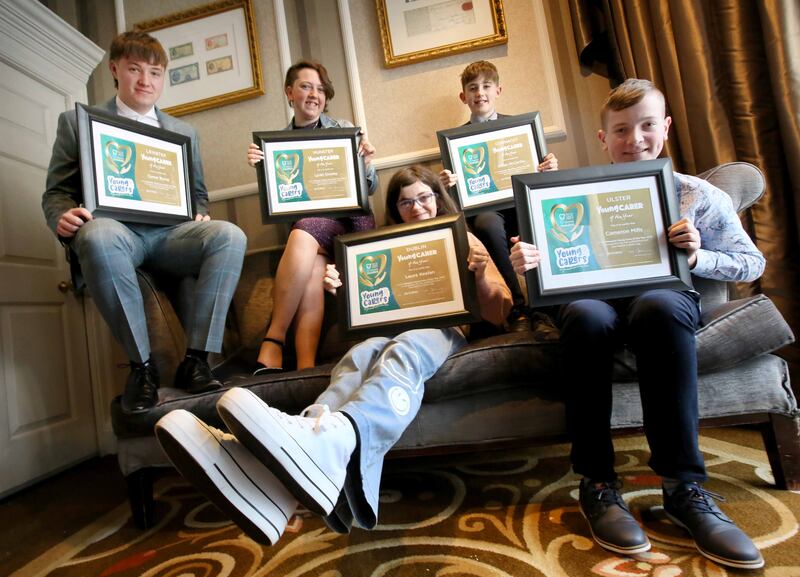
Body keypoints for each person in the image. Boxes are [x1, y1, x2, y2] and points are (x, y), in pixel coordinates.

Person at [155, 165, 512, 545]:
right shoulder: (383, 247)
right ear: (395, 209)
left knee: (404, 352)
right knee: (357, 358)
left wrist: (481, 276)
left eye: (424, 197)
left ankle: (325, 446)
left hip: (443, 329)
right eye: (406, 202)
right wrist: (346, 294)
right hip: (386, 332)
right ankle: (281, 476)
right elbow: (371, 316)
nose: (417, 207)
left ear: (438, 198)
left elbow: (500, 312)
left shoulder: (467, 240)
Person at [510, 79, 766, 570]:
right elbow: (547, 279)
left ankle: (682, 487)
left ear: (665, 128)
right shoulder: (570, 197)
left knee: (660, 305)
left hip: (664, 304)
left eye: (647, 125)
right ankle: (598, 483)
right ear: (603, 138)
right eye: (622, 130)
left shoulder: (699, 195)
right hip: (595, 303)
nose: (636, 139)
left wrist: (699, 254)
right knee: (585, 315)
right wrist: (529, 261)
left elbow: (751, 263)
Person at [42, 31, 247, 415]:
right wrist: (61, 215)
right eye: (135, 69)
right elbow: (56, 193)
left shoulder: (184, 133)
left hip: (172, 236)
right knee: (97, 234)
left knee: (229, 234)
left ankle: (197, 361)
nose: (145, 81)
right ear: (115, 69)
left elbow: (198, 193)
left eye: (154, 72)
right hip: (118, 232)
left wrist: (200, 211)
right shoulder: (77, 123)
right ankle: (142, 369)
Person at [245, 60, 378, 373]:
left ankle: (273, 340)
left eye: (320, 89)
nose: (314, 95)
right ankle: (305, 369)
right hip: (312, 239)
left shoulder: (343, 129)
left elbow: (369, 188)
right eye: (306, 86)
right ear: (290, 93)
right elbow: (280, 206)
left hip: (349, 226)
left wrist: (368, 162)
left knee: (303, 230)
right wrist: (264, 171)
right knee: (311, 272)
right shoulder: (275, 145)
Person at [438, 60, 559, 337]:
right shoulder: (456, 142)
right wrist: (447, 184)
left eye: (486, 86)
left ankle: (543, 312)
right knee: (487, 223)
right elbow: (456, 196)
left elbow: (539, 175)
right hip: (487, 210)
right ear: (463, 97)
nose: (479, 92)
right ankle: (517, 310)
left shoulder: (519, 129)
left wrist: (548, 166)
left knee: (537, 221)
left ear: (498, 90)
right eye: (472, 88)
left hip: (520, 203)